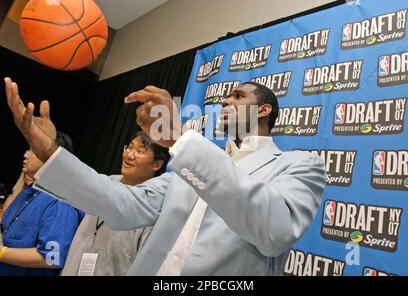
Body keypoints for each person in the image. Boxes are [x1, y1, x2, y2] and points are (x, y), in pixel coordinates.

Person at [3, 77, 326, 275]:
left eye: (239, 96)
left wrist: (179, 140)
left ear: (264, 110)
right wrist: (49, 152)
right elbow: (120, 203)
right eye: (226, 96)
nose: (225, 100)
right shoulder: (191, 165)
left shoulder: (299, 164)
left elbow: (275, 231)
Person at [61, 131, 169, 276]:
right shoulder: (105, 182)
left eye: (140, 151)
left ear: (157, 164)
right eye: (129, 148)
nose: (130, 155)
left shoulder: (152, 205)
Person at [0, 131, 84, 276]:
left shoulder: (60, 201)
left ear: (53, 158)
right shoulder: (27, 193)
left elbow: (52, 258)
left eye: (33, 150)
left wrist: (2, 253)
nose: (26, 155)